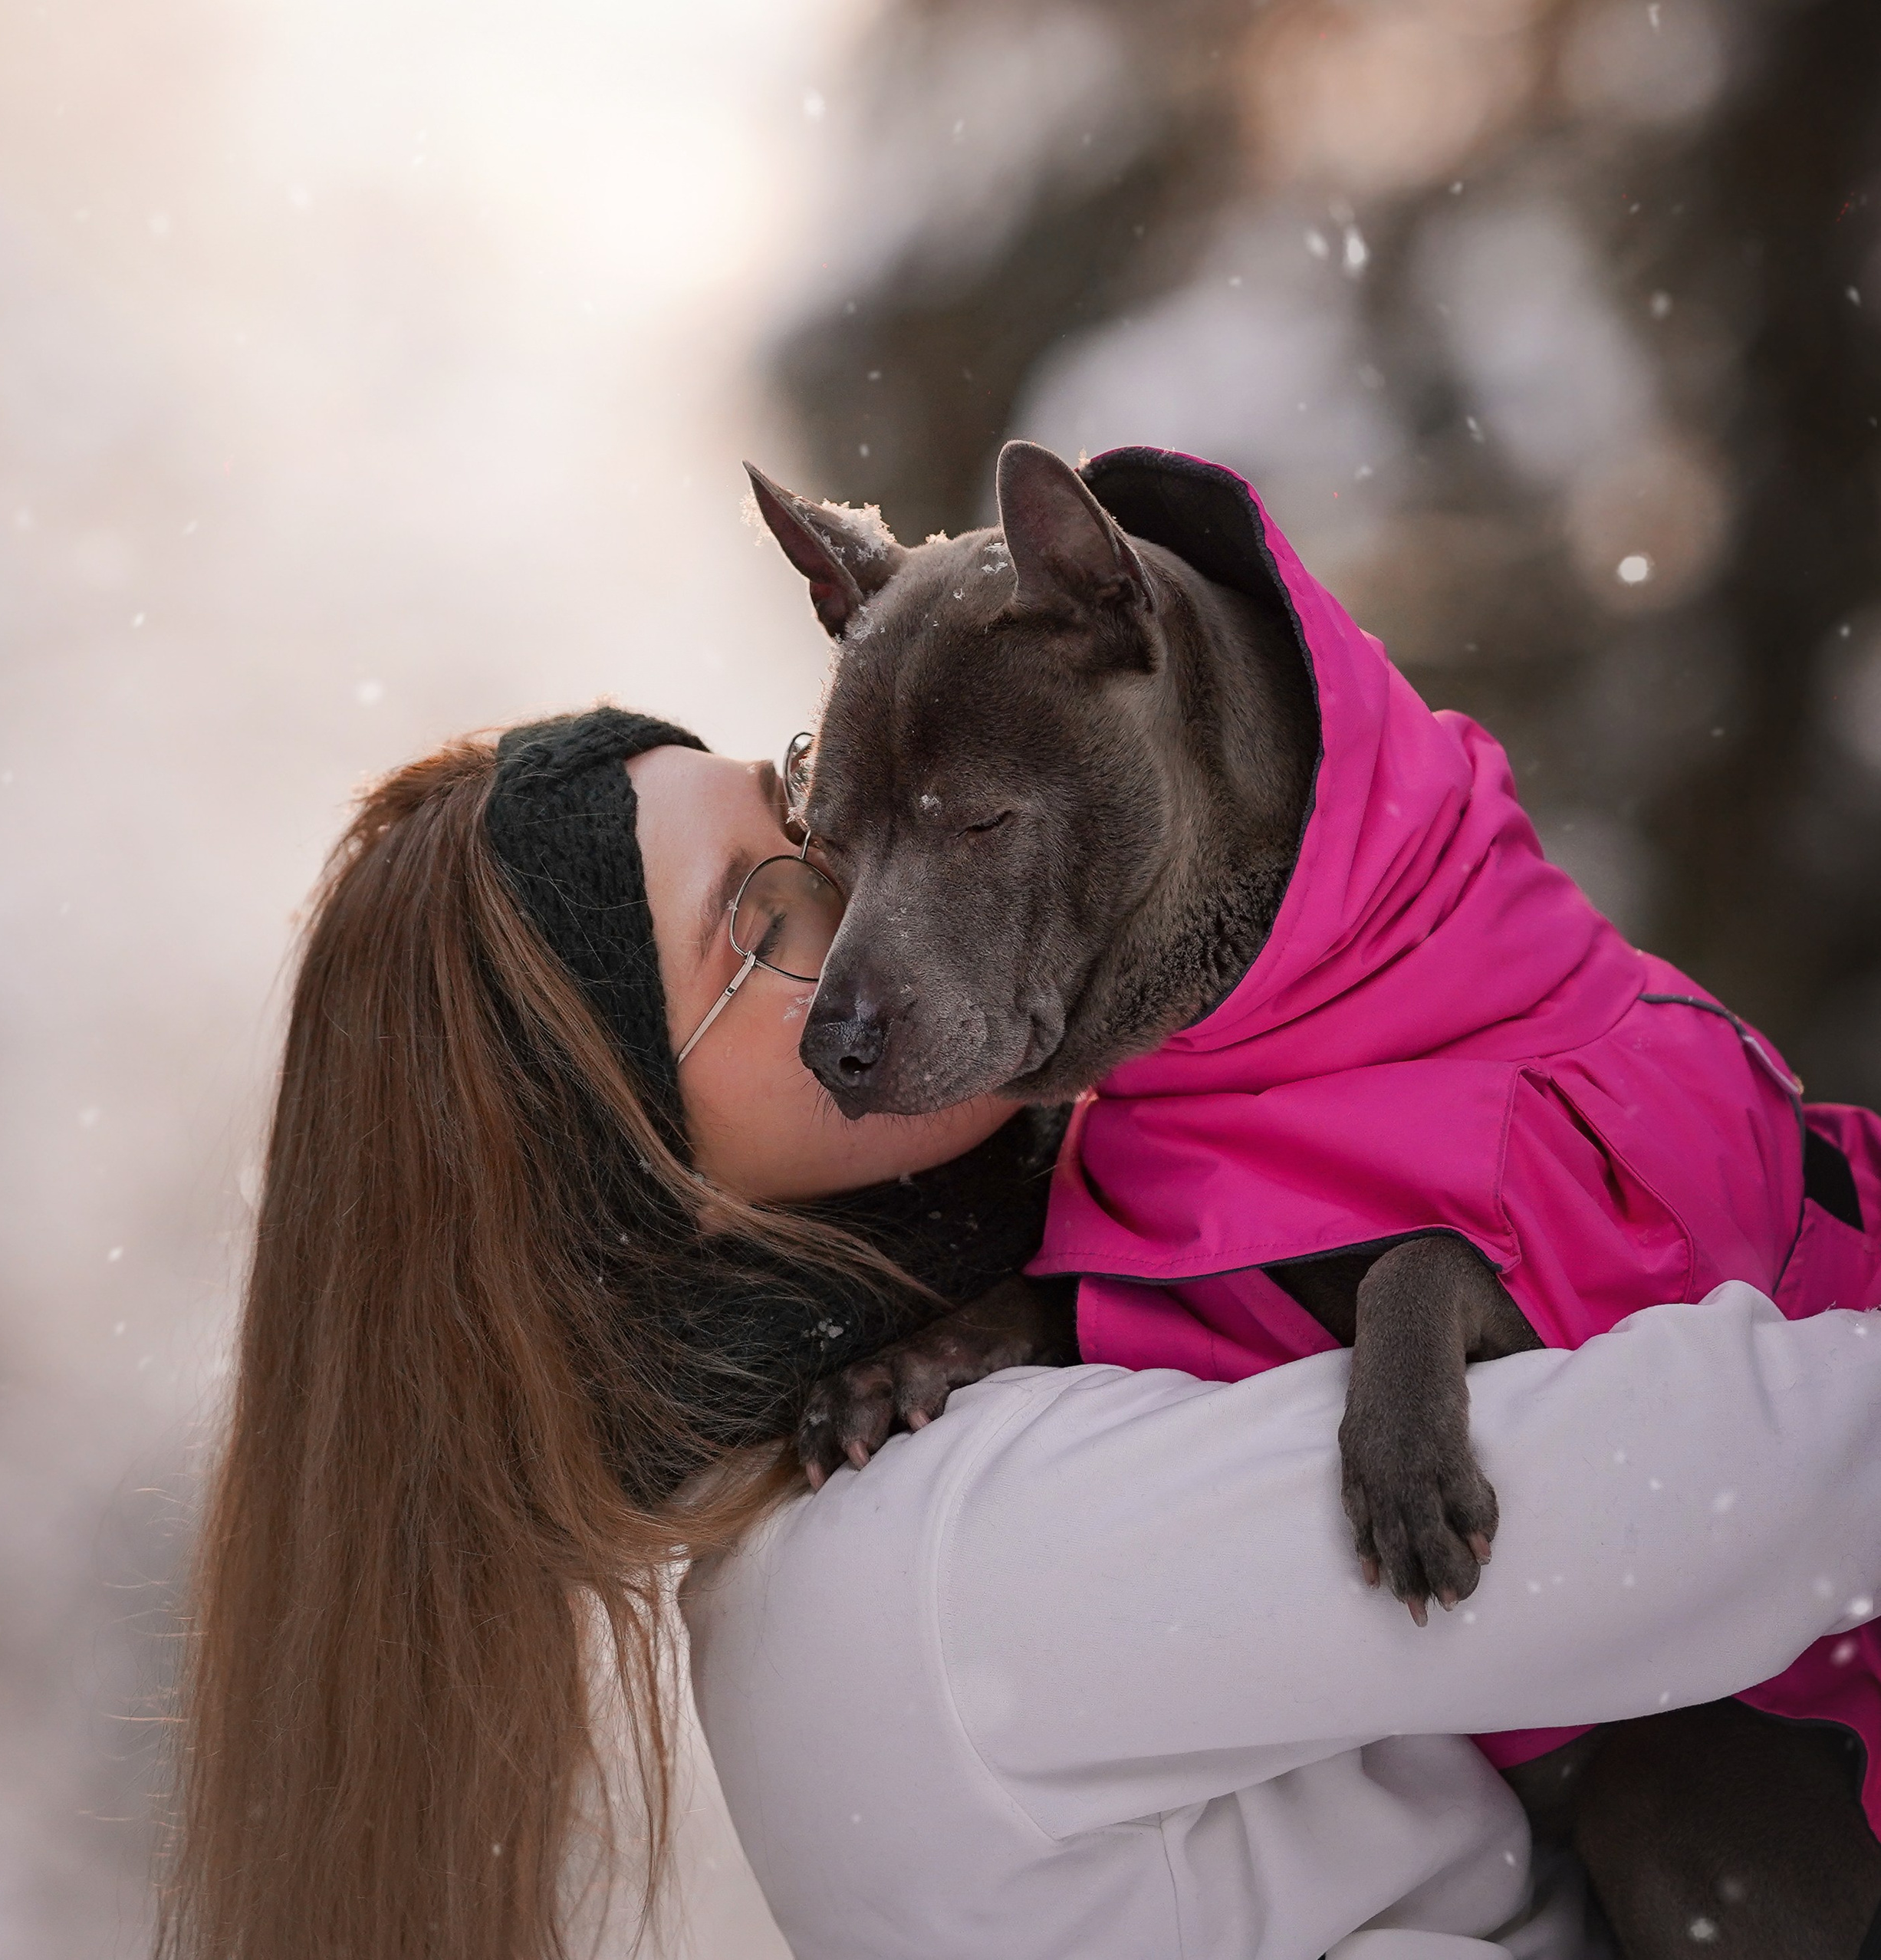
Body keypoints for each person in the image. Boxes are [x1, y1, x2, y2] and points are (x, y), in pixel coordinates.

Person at [158, 705, 1881, 1960]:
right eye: (753, 921)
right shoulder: (924, 1569)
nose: (858, 885)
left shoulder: (950, 1433)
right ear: (649, 1198)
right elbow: (1782, 1473)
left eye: (795, 804)